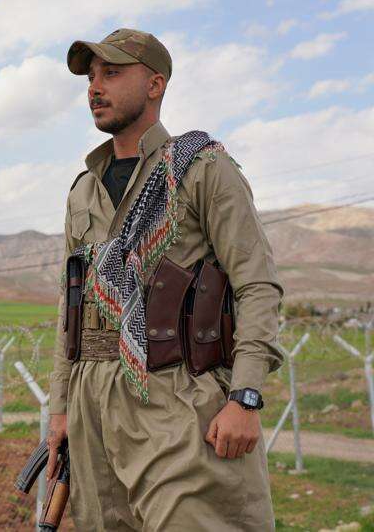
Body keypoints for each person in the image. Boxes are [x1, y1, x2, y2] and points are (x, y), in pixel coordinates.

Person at [45, 28, 285, 531]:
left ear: (155, 84)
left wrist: (245, 395)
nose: (95, 87)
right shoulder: (83, 191)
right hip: (93, 403)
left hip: (177, 396)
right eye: (90, 78)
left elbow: (257, 285)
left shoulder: (201, 168)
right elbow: (71, 308)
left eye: (112, 73)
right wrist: (61, 408)